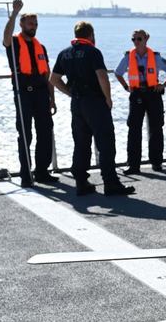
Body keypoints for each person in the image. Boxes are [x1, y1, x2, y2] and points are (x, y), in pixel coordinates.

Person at [49, 22, 135, 196]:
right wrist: (108, 98)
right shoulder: (92, 52)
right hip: (94, 102)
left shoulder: (65, 53)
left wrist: (71, 94)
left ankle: (81, 182)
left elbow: (54, 79)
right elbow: (102, 76)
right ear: (91, 35)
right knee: (105, 142)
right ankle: (110, 183)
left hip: (77, 104)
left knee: (81, 143)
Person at [1, 0, 57, 187]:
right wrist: (15, 12)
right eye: (30, 24)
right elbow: (6, 36)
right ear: (22, 25)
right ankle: (26, 174)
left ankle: (41, 171)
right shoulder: (14, 42)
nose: (34, 27)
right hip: (23, 92)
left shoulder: (41, 47)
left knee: (45, 132)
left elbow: (47, 74)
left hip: (42, 92)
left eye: (36, 24)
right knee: (25, 134)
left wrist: (52, 99)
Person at [114, 30, 166, 173]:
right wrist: (126, 87)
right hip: (136, 95)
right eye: (133, 39)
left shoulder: (156, 57)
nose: (136, 41)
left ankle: (157, 162)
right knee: (134, 129)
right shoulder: (128, 57)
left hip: (153, 94)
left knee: (156, 128)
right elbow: (118, 73)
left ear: (146, 39)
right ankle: (133, 165)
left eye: (139, 38)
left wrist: (163, 85)